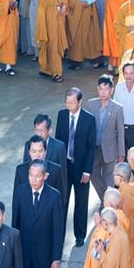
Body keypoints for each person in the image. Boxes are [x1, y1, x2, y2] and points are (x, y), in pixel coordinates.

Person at [55, 87, 96, 247]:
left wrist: (87, 171)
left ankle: (80, 235)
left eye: (72, 102)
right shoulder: (62, 115)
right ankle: (59, 235)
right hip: (64, 167)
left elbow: (91, 147)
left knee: (81, 202)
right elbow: (58, 142)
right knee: (62, 202)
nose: (69, 105)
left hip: (81, 169)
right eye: (67, 102)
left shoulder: (89, 119)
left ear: (80, 102)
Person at [77, 188, 128, 268]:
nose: (102, 203)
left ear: (109, 204)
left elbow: (99, 249)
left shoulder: (108, 227)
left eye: (104, 201)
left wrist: (99, 226)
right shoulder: (121, 217)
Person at [86, 75, 125, 202]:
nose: (103, 92)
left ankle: (109, 203)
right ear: (97, 89)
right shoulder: (91, 104)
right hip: (94, 149)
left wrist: (121, 153)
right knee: (93, 174)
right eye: (101, 89)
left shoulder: (118, 108)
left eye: (106, 89)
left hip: (110, 149)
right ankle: (106, 199)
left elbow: (121, 132)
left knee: (109, 177)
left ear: (111, 90)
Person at [64, 0, 103, 71]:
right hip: (78, 13)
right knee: (78, 36)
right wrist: (80, 3)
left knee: (92, 35)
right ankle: (75, 61)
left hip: (89, 11)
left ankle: (95, 59)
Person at [36, 0, 67, 82]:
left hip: (58, 22)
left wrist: (64, 6)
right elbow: (41, 10)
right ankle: (56, 73)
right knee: (53, 48)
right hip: (49, 24)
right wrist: (43, 28)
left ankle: (47, 69)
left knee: (53, 47)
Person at [103, 0, 133, 71]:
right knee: (113, 40)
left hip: (125, 18)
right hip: (112, 17)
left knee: (123, 41)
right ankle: (112, 62)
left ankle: (121, 64)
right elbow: (109, 4)